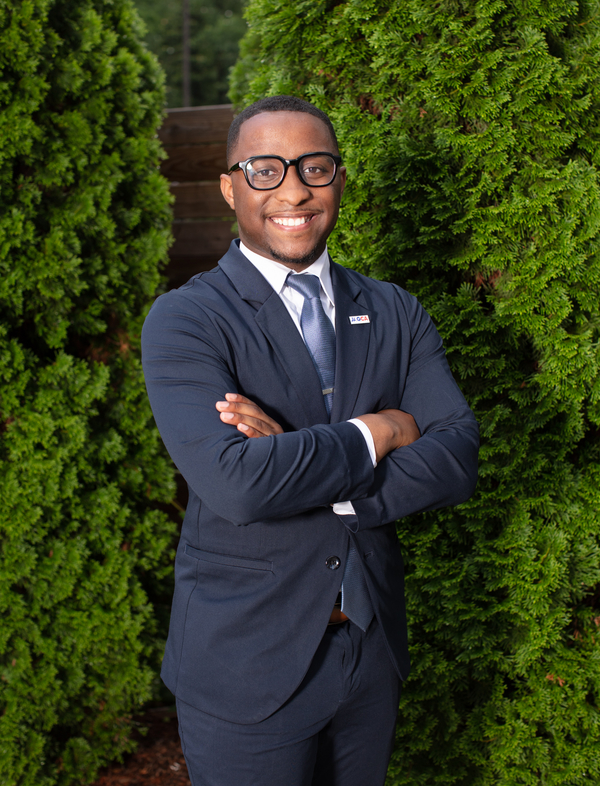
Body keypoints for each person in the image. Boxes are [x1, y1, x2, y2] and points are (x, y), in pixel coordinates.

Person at [141, 95, 479, 786]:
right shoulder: (187, 318)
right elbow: (238, 483)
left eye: (314, 167)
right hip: (245, 665)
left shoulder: (394, 309)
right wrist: (380, 430)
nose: (293, 190)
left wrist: (298, 462)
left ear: (339, 180)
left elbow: (456, 456)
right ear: (230, 188)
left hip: (369, 651)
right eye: (265, 170)